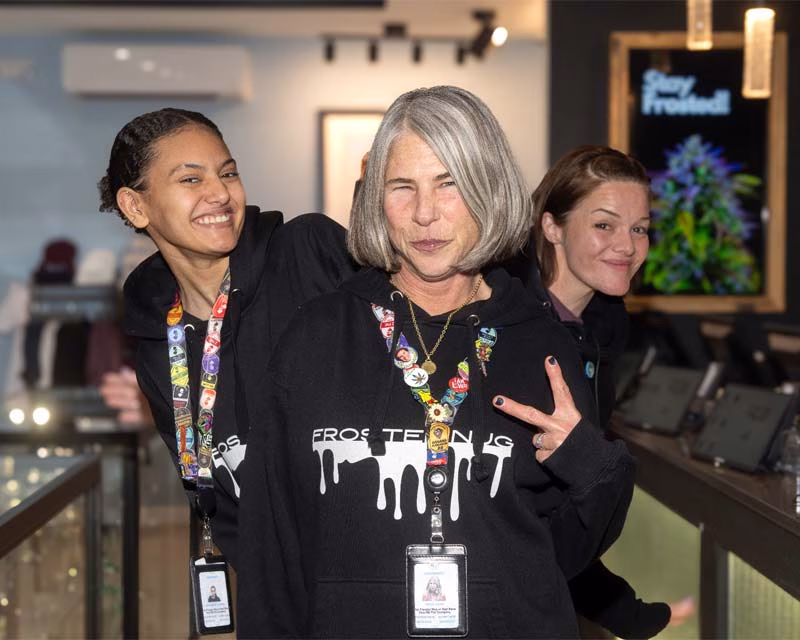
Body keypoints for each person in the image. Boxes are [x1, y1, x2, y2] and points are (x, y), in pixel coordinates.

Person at [237, 86, 635, 638]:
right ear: (377, 197)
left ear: (487, 186)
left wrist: (591, 465)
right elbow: (272, 542)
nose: (425, 214)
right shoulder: (315, 337)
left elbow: (562, 558)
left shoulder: (541, 345)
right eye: (403, 186)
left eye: (449, 183)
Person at [98, 108, 356, 568]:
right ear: (135, 206)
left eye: (228, 173)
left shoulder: (307, 253)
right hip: (281, 599)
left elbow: (419, 331)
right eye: (191, 180)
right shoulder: (160, 347)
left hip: (390, 564)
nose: (220, 193)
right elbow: (213, 492)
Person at [508, 145, 692, 638]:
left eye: (639, 228)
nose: (628, 246)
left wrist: (623, 611)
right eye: (604, 225)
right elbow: (517, 517)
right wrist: (623, 611)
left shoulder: (596, 339)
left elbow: (562, 509)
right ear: (552, 227)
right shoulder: (505, 329)